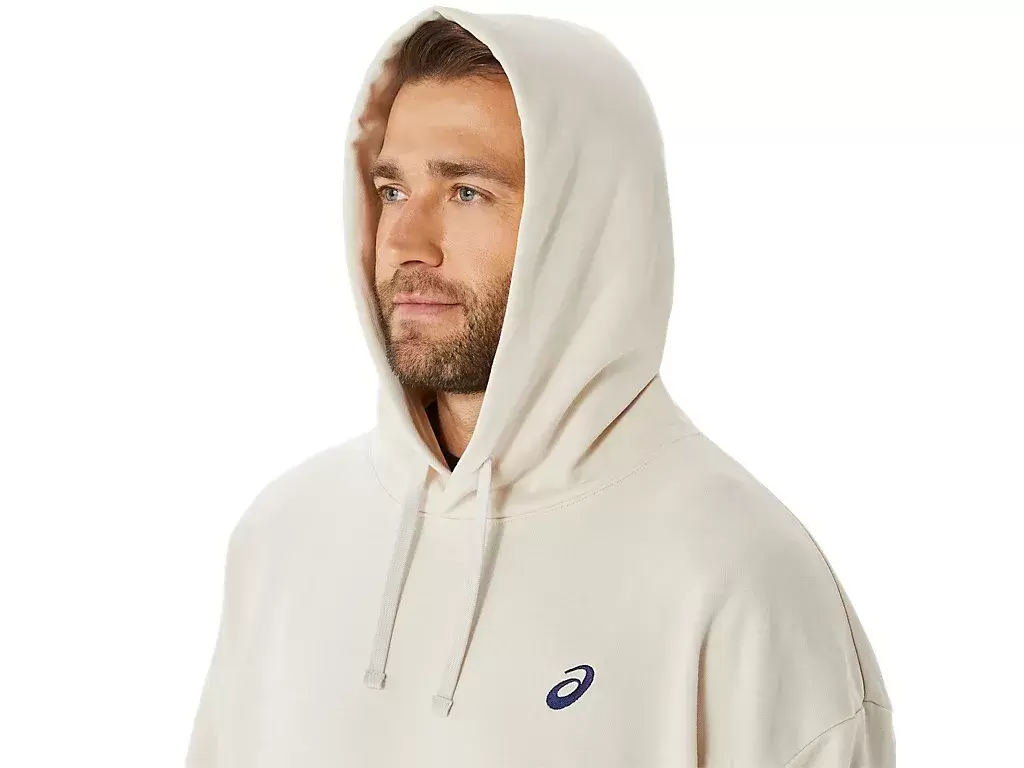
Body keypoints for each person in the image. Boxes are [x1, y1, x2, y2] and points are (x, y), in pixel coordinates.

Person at [185, 6, 896, 767]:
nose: (406, 242)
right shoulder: (283, 538)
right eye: (391, 190)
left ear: (584, 224)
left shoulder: (739, 579)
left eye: (465, 191)